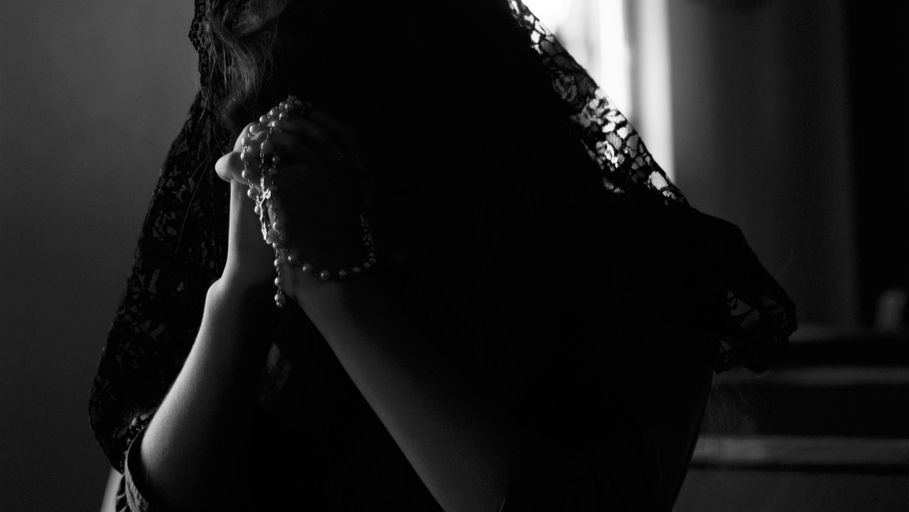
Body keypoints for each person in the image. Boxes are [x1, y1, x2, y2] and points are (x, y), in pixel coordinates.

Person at [89, 1, 796, 510]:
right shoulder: (232, 276)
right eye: (257, 97)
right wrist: (238, 296)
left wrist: (341, 294)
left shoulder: (646, 264)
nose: (285, 136)